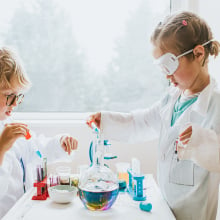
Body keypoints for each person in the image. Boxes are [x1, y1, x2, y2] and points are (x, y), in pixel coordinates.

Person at [88, 11, 220, 220]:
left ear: (198, 54)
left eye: (170, 65)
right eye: (161, 68)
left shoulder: (215, 105)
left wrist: (201, 144)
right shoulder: (172, 100)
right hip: (165, 210)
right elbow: (140, 123)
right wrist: (106, 121)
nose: (167, 75)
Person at [0, 47, 78, 218]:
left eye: (18, 96)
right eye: (9, 95)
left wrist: (60, 143)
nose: (15, 104)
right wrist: (1, 149)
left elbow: (38, 150)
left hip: (24, 210)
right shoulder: (5, 136)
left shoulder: (9, 125)